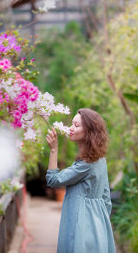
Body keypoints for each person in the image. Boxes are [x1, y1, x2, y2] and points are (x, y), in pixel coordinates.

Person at [45, 108, 115, 253]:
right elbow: (106, 199)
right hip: (98, 229)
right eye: (72, 124)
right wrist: (100, 228)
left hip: (82, 230)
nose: (71, 128)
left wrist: (53, 150)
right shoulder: (100, 159)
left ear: (89, 132)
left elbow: (53, 180)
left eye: (76, 126)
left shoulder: (85, 165)